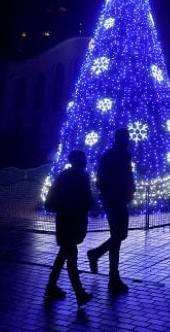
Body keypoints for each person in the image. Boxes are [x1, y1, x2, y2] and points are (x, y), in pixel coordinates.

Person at [87, 127, 136, 295]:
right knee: (118, 236)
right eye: (125, 137)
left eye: (127, 137)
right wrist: (110, 194)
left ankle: (97, 255)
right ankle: (113, 277)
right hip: (113, 200)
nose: (127, 140)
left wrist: (130, 190)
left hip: (119, 200)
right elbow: (102, 178)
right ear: (118, 139)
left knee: (119, 236)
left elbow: (128, 175)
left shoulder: (124, 155)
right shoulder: (110, 156)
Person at [44, 150, 94, 306]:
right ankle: (79, 293)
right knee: (71, 257)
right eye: (83, 159)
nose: (85, 161)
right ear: (78, 161)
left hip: (68, 220)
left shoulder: (68, 176)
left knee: (64, 254)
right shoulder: (77, 177)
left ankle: (51, 286)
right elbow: (85, 199)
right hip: (71, 221)